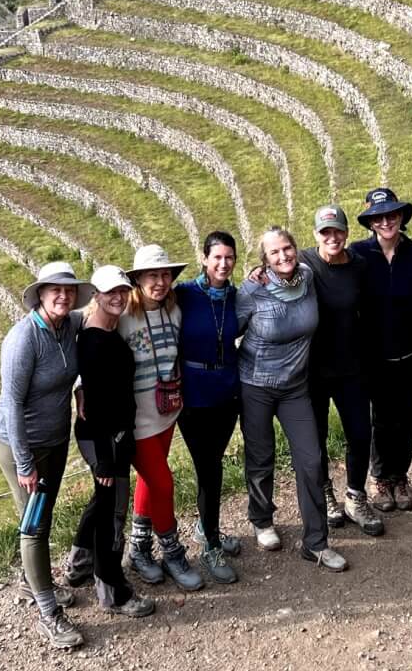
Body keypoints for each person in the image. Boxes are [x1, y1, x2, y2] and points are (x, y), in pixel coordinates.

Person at [0, 261, 92, 649]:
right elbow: (12, 404)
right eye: (55, 290)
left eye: (68, 290)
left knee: (44, 515)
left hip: (55, 437)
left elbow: (106, 312)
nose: (63, 295)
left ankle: (32, 582)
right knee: (33, 524)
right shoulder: (23, 339)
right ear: (40, 295)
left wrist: (81, 385)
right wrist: (23, 463)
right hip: (22, 441)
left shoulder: (70, 326)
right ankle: (49, 612)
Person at [236, 226, 345, 571]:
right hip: (255, 384)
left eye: (287, 249)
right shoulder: (254, 288)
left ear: (296, 249)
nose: (282, 256)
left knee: (311, 460)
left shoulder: (308, 277)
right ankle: (262, 518)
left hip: (295, 387)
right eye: (273, 253)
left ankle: (315, 542)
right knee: (261, 455)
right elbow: (229, 327)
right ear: (264, 260)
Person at [69, 266, 157, 618]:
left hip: (116, 433)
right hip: (102, 437)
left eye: (123, 291)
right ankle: (112, 592)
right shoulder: (93, 341)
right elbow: (99, 405)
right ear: (97, 296)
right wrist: (105, 458)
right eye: (111, 293)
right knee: (110, 514)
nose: (118, 298)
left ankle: (79, 560)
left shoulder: (106, 328)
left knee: (101, 501)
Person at [120, 244, 203, 591]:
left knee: (149, 482)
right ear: (137, 279)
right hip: (137, 419)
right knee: (163, 482)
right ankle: (171, 550)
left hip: (166, 412)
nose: (160, 282)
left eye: (165, 275)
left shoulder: (175, 311)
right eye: (152, 275)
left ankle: (138, 548)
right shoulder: (123, 315)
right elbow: (93, 340)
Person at [301, 205, 384, 537]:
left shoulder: (358, 267)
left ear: (347, 233)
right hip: (313, 369)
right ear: (315, 236)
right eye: (325, 232)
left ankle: (355, 495)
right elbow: (273, 267)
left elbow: (371, 311)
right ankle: (325, 493)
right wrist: (256, 272)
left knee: (360, 434)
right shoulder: (304, 262)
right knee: (316, 436)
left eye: (337, 231)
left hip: (352, 366)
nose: (332, 237)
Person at [350, 188, 412, 512]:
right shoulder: (357, 256)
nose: (386, 221)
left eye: (392, 215)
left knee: (408, 417)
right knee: (382, 420)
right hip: (374, 355)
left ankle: (401, 476)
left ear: (401, 217)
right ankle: (381, 477)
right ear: (371, 222)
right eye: (379, 217)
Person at [174, 232, 244, 583]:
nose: (223, 264)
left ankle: (206, 528)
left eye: (229, 257)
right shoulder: (185, 294)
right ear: (204, 258)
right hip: (193, 396)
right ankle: (211, 544)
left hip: (227, 393)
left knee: (213, 464)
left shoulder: (236, 295)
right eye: (216, 257)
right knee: (209, 469)